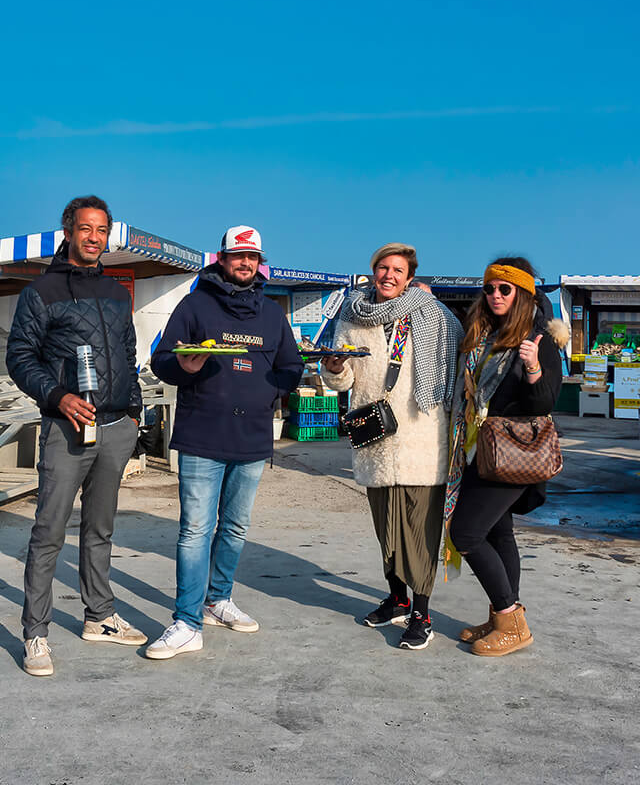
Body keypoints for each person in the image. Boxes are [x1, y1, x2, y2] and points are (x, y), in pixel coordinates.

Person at [146, 225, 303, 659]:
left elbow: (291, 366)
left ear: (259, 261)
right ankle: (186, 621)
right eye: (238, 256)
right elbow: (162, 360)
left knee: (235, 527)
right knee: (195, 529)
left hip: (252, 437)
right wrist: (188, 367)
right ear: (222, 258)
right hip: (202, 436)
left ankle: (218, 599)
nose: (245, 263)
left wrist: (271, 392)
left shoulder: (272, 314)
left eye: (252, 257)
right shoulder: (195, 304)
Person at [6, 195, 146, 677]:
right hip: (67, 429)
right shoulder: (40, 291)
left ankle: (99, 617)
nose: (94, 237)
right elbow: (20, 357)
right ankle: (35, 634)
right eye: (85, 228)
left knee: (100, 530)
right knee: (48, 532)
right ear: (68, 231)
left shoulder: (113, 291)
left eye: (102, 230)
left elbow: (127, 352)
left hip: (113, 428)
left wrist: (133, 412)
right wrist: (58, 396)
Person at [322, 243, 463, 650]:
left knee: (419, 529)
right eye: (382, 268)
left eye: (397, 269)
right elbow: (344, 379)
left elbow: (458, 364)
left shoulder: (434, 315)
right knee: (386, 527)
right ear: (372, 271)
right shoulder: (353, 315)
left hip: (423, 437)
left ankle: (422, 612)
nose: (388, 275)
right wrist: (334, 368)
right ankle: (397, 598)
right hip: (376, 438)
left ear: (409, 275)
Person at [446, 256, 567, 656]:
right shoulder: (484, 335)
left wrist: (533, 368)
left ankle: (512, 619)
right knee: (499, 532)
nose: (495, 295)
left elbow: (545, 401)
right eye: (490, 288)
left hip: (515, 452)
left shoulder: (539, 338)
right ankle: (501, 616)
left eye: (505, 289)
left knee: (465, 533)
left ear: (523, 294)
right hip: (482, 448)